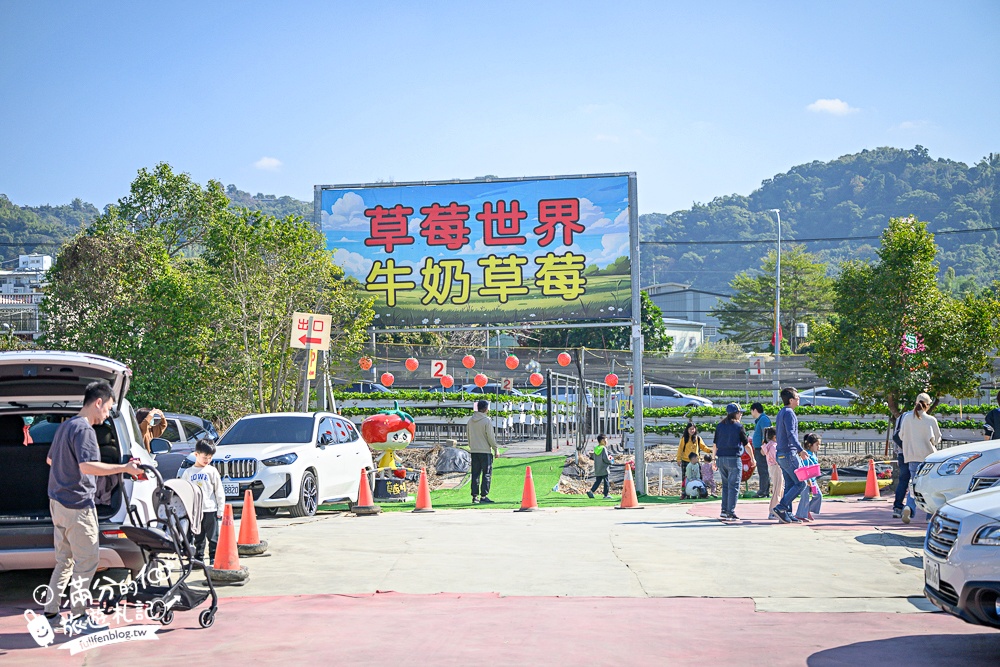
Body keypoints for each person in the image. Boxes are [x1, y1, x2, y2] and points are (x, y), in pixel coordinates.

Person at [43, 381, 142, 626]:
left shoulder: (65, 427)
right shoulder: (85, 430)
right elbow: (87, 466)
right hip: (77, 506)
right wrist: (125, 468)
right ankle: (78, 616)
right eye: (107, 408)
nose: (107, 414)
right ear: (97, 403)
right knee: (87, 562)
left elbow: (49, 460)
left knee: (64, 561)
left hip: (57, 503)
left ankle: (51, 612)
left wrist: (67, 475)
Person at [180, 439, 225, 564]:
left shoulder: (212, 471)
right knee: (198, 537)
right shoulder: (188, 473)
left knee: (213, 536)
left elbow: (219, 491)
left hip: (211, 509)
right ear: (196, 454)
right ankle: (198, 559)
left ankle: (213, 557)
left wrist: (220, 508)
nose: (207, 460)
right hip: (195, 512)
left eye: (210, 457)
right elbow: (184, 491)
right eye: (205, 457)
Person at [899, 392, 941, 524]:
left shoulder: (906, 418)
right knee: (930, 486)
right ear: (927, 405)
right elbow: (937, 439)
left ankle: (909, 508)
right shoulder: (931, 420)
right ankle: (930, 516)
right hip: (929, 458)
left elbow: (901, 436)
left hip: (912, 457)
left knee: (914, 485)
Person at [773, 387, 809, 524]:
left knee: (790, 484)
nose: (799, 400)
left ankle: (787, 514)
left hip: (781, 454)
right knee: (801, 483)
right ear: (791, 400)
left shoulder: (782, 412)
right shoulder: (790, 413)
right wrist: (800, 449)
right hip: (789, 454)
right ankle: (781, 508)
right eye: (797, 398)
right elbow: (791, 434)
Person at [713, 403, 751, 522]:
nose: (741, 415)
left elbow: (715, 445)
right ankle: (731, 512)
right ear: (736, 413)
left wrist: (714, 459)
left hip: (721, 458)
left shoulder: (720, 426)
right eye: (740, 412)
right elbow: (746, 445)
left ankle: (724, 510)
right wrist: (752, 458)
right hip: (734, 459)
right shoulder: (739, 427)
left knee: (725, 485)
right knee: (734, 486)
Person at [467, 399, 500, 504]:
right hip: (485, 451)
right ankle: (484, 496)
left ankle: (474, 496)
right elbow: (490, 436)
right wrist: (495, 448)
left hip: (474, 450)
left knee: (475, 474)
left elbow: (468, 435)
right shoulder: (486, 420)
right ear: (486, 408)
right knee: (486, 473)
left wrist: (472, 446)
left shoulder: (470, 420)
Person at [676, 422, 710, 499]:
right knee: (685, 478)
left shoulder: (698, 438)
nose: (692, 430)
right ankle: (684, 493)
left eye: (693, 429)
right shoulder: (684, 439)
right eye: (690, 429)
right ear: (687, 430)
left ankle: (702, 493)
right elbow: (680, 449)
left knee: (699, 477)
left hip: (696, 462)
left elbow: (703, 447)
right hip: (686, 461)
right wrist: (678, 459)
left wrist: (710, 451)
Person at [795, 433, 823, 521]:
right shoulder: (806, 455)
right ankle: (800, 514)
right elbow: (805, 468)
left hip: (813, 480)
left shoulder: (813, 455)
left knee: (818, 495)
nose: (819, 447)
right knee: (805, 497)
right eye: (817, 445)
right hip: (806, 480)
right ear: (810, 445)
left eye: (820, 444)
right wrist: (808, 480)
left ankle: (806, 510)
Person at [890, 410, 910, 520]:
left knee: (903, 480)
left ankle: (897, 507)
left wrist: (898, 451)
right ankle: (925, 511)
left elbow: (895, 436)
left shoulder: (902, 417)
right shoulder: (924, 418)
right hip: (919, 453)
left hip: (903, 453)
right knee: (920, 481)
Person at [750, 403, 772, 498]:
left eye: (751, 411)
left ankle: (763, 491)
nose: (751, 413)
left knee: (763, 470)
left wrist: (764, 446)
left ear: (755, 410)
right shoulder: (760, 420)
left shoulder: (763, 419)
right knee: (762, 470)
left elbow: (766, 433)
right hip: (759, 449)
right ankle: (764, 490)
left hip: (761, 449)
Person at [588, 434, 614, 499]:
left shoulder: (596, 448)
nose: (607, 441)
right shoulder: (603, 449)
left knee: (598, 481)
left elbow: (594, 457)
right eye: (606, 440)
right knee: (606, 481)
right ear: (602, 440)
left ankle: (591, 491)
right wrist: (610, 462)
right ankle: (606, 495)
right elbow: (605, 459)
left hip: (597, 468)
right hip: (604, 468)